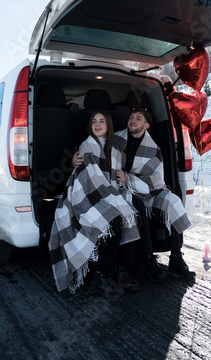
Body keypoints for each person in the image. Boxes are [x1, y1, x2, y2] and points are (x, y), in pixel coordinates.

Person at [73, 109, 196, 281]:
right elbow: (96, 151)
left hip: (147, 189)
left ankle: (176, 257)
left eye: (138, 119)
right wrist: (76, 160)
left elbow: (155, 182)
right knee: (136, 204)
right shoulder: (115, 139)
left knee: (173, 201)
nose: (133, 121)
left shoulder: (153, 149)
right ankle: (148, 260)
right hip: (120, 189)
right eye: (131, 117)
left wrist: (128, 179)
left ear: (146, 125)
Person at [49, 111, 140, 300]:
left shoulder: (116, 148)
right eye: (94, 122)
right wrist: (111, 197)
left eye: (102, 121)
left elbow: (132, 132)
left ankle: (122, 272)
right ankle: (100, 277)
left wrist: (117, 191)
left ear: (109, 125)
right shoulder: (87, 145)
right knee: (112, 217)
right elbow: (90, 180)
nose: (97, 125)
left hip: (107, 191)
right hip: (83, 196)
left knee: (132, 211)